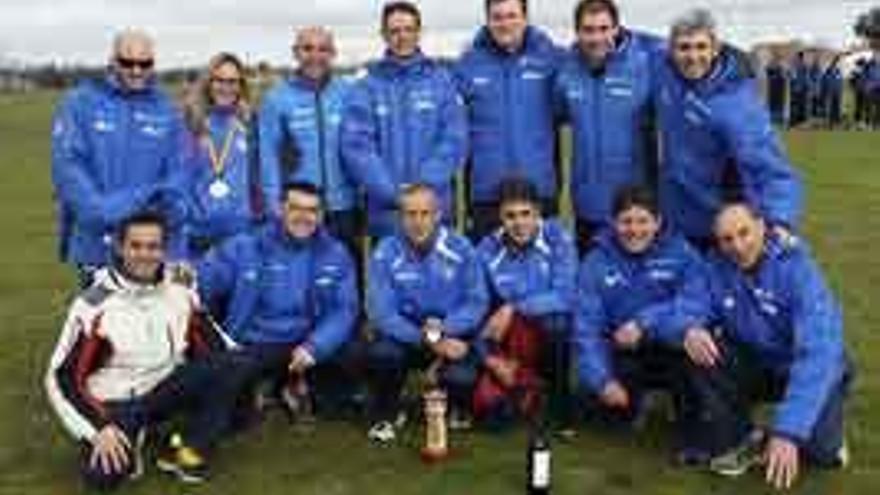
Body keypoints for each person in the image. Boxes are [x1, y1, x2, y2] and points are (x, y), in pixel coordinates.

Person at [44, 211, 241, 488]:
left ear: (164, 248)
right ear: (119, 247)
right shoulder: (93, 304)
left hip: (166, 390)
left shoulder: (179, 287)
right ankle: (135, 435)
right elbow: (61, 377)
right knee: (102, 478)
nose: (144, 255)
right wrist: (99, 429)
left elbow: (212, 339)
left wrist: (237, 372)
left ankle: (187, 448)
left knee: (234, 371)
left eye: (153, 246)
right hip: (117, 404)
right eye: (135, 246)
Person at [681, 203, 851, 489]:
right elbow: (687, 305)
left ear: (762, 227)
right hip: (758, 363)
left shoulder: (798, 271)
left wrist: (788, 431)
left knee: (821, 453)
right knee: (700, 349)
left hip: (808, 366)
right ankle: (744, 438)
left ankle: (825, 432)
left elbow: (818, 352)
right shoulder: (713, 266)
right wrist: (689, 327)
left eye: (744, 233)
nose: (737, 245)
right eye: (726, 239)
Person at [196, 181, 359, 419]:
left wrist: (316, 346)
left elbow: (345, 309)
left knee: (356, 355)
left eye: (312, 210)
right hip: (257, 342)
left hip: (306, 342)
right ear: (281, 208)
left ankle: (296, 385)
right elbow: (205, 278)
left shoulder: (335, 253)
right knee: (236, 411)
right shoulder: (246, 246)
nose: (304, 217)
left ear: (322, 215)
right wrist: (186, 277)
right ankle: (270, 387)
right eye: (296, 208)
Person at [574, 185, 706, 461]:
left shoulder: (681, 252)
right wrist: (602, 381)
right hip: (625, 352)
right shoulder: (596, 261)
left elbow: (696, 303)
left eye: (643, 221)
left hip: (672, 346)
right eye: (626, 221)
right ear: (613, 222)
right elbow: (586, 330)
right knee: (604, 417)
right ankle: (637, 402)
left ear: (658, 222)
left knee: (696, 350)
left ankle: (688, 421)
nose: (634, 230)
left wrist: (644, 322)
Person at [655, 9, 802, 250]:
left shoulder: (737, 103)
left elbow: (769, 165)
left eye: (701, 47)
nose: (693, 56)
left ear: (716, 49)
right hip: (674, 220)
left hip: (719, 225)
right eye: (684, 47)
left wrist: (780, 220)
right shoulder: (665, 75)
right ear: (671, 50)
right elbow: (635, 42)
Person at [51, 29, 188, 287]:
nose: (136, 70)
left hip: (148, 247)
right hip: (97, 245)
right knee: (101, 325)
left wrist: (151, 224)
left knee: (151, 325)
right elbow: (68, 170)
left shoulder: (167, 109)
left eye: (145, 64)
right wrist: (105, 212)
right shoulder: (80, 103)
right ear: (112, 61)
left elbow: (177, 178)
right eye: (127, 63)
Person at [365, 184, 488, 443]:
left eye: (425, 213)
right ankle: (388, 410)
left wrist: (447, 329)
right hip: (409, 334)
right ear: (400, 217)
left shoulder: (462, 247)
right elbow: (383, 313)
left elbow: (477, 302)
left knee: (461, 377)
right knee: (381, 353)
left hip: (451, 331)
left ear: (438, 215)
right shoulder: (385, 251)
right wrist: (427, 338)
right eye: (410, 214)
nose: (418, 222)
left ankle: (455, 406)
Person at [341, 1, 467, 239]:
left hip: (434, 209)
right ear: (384, 35)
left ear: (419, 33)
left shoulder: (441, 82)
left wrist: (423, 190)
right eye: (395, 31)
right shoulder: (367, 87)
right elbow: (357, 147)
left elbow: (454, 140)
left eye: (409, 30)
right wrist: (393, 194)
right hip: (388, 212)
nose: (402, 37)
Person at [554, 0, 661, 253]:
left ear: (617, 28)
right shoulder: (566, 72)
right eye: (588, 30)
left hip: (634, 209)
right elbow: (557, 114)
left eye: (603, 29)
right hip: (587, 205)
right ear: (577, 32)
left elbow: (683, 44)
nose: (596, 38)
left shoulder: (645, 64)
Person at [473, 178, 577, 433]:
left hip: (544, 329)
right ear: (499, 216)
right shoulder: (486, 248)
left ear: (538, 213)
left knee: (558, 324)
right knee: (493, 417)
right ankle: (517, 388)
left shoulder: (558, 238)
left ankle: (560, 405)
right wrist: (489, 358)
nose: (519, 223)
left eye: (525, 214)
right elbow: (473, 306)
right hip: (508, 337)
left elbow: (565, 296)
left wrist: (514, 308)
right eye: (510, 216)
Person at [454, 0, 562, 239]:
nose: (505, 23)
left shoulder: (550, 59)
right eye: (497, 17)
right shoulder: (468, 64)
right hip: (486, 195)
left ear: (525, 18)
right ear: (488, 20)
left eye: (512, 16)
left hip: (538, 191)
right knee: (485, 272)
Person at [259, 27, 361, 260]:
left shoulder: (349, 93)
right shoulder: (276, 99)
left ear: (333, 53)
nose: (315, 56)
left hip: (343, 208)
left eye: (323, 49)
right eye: (307, 48)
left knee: (345, 281)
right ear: (295, 52)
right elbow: (268, 158)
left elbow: (362, 146)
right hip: (298, 210)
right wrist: (276, 209)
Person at [180, 52, 261, 256]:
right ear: (208, 82)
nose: (226, 87)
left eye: (233, 81)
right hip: (196, 236)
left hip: (240, 234)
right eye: (219, 80)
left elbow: (260, 178)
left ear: (241, 85)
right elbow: (178, 179)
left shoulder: (250, 124)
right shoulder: (190, 124)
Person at [764, 53, 788, 126]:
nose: (776, 62)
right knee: (773, 108)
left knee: (779, 108)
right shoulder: (770, 70)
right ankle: (775, 120)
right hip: (773, 94)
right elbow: (766, 69)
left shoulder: (783, 70)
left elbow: (787, 73)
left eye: (778, 60)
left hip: (779, 94)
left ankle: (779, 120)